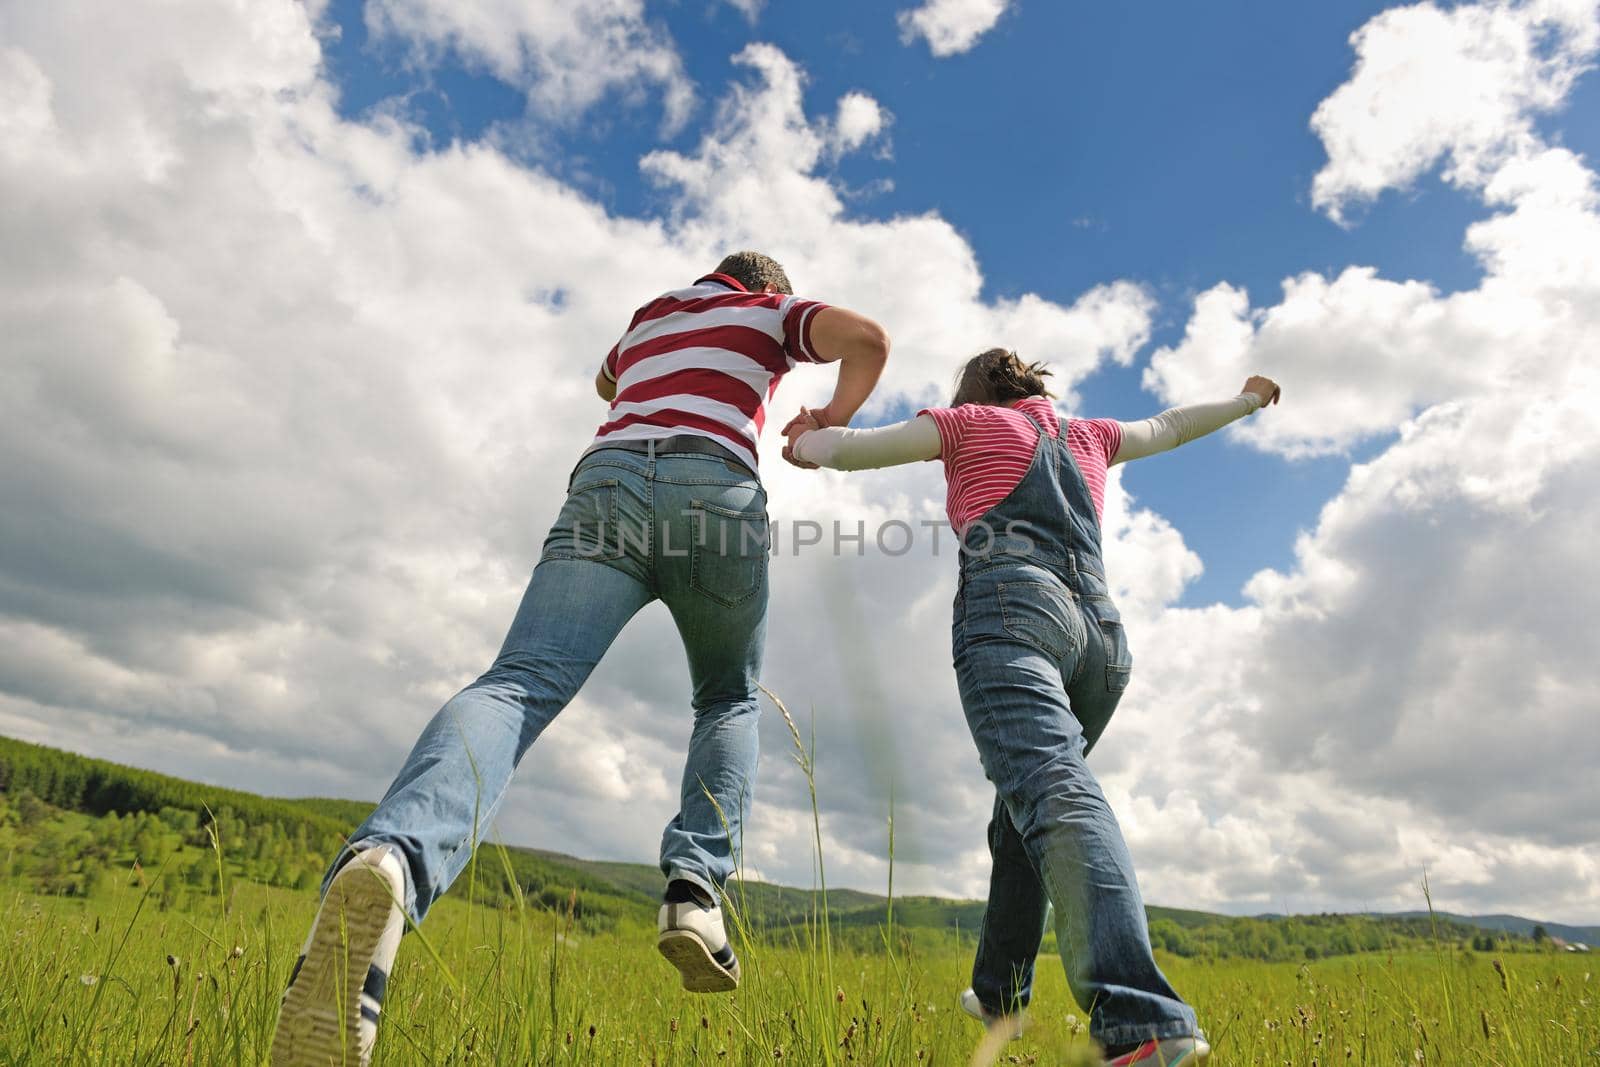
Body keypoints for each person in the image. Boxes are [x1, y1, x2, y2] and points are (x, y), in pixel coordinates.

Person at [270, 252, 891, 1067]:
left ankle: (392, 855)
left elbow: (607, 386)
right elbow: (868, 341)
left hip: (606, 483)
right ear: (767, 289)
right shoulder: (771, 313)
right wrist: (820, 423)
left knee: (518, 684)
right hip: (717, 488)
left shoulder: (651, 314)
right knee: (728, 700)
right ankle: (696, 891)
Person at [783, 348, 1280, 1067]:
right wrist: (1246, 401)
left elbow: (856, 450)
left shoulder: (967, 424)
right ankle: (1000, 994)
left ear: (977, 392)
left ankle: (1143, 1021)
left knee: (1053, 789)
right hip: (1102, 640)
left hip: (1015, 606)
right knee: (1024, 809)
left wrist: (804, 440)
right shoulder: (1090, 435)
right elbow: (1170, 425)